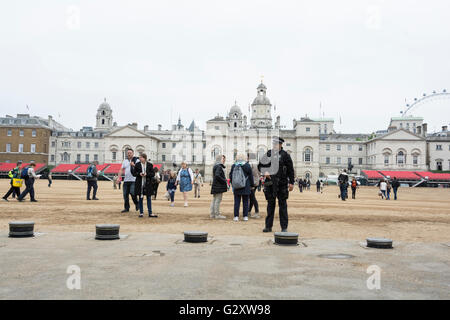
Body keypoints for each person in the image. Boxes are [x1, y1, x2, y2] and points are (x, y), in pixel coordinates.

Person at [258, 137, 295, 233]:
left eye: (276, 144)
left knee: (283, 206)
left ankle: (284, 227)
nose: (274, 145)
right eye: (273, 143)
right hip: (270, 183)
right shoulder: (269, 153)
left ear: (280, 144)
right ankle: (268, 226)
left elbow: (290, 169)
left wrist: (291, 182)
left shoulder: (285, 155)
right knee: (270, 205)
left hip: (282, 183)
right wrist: (265, 171)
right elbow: (260, 165)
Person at [229, 154, 254, 222]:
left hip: (236, 187)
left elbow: (230, 176)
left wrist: (233, 183)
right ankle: (245, 216)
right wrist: (252, 185)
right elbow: (251, 176)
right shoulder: (247, 165)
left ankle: (236, 216)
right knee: (245, 202)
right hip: (246, 186)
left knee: (237, 202)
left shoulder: (234, 165)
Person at [131, 153, 157, 218]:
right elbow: (134, 173)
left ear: (144, 158)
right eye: (139, 157)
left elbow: (153, 174)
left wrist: (146, 174)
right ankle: (141, 212)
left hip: (148, 183)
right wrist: (139, 174)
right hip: (140, 183)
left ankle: (150, 212)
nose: (140, 158)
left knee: (148, 198)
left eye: (141, 157)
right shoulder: (137, 165)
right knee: (140, 198)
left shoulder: (150, 165)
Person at [118, 149, 139, 213]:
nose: (129, 154)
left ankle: (137, 203)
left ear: (133, 153)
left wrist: (134, 165)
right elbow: (121, 169)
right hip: (126, 180)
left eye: (130, 153)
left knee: (133, 193)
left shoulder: (137, 160)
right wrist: (119, 177)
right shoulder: (125, 161)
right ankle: (126, 208)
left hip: (134, 180)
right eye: (128, 153)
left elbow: (140, 169)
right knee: (125, 195)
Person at [210, 155, 227, 219]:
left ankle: (212, 214)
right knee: (218, 200)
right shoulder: (219, 166)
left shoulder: (215, 165)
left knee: (214, 199)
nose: (224, 160)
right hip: (218, 185)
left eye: (224, 159)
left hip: (215, 185)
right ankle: (217, 214)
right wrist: (224, 181)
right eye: (223, 159)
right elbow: (217, 175)